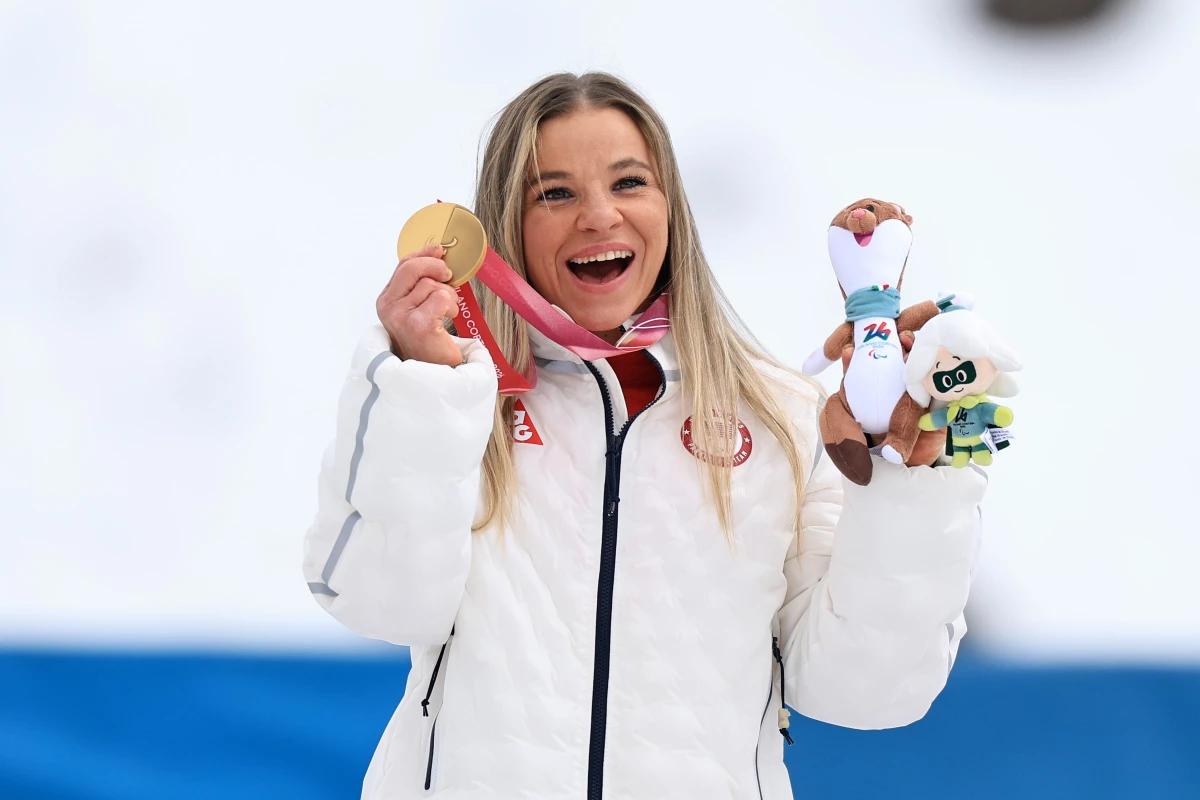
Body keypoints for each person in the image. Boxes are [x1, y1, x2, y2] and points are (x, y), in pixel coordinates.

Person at [302, 72, 987, 800]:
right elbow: (376, 601)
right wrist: (425, 384)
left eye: (629, 182)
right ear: (506, 225)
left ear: (670, 210)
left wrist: (909, 484)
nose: (600, 215)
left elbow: (866, 689)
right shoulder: (456, 399)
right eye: (555, 193)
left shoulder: (780, 417)